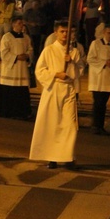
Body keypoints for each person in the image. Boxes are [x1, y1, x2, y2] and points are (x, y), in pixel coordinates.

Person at [30, 21, 82, 169]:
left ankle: (68, 156)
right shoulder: (49, 50)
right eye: (62, 31)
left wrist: (71, 63)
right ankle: (52, 157)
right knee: (52, 123)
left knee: (70, 125)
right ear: (56, 33)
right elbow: (40, 70)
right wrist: (55, 74)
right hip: (53, 89)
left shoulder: (74, 52)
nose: (65, 35)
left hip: (68, 90)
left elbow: (79, 72)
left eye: (67, 32)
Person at [0, 16, 33, 119]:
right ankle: (7, 112)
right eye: (19, 23)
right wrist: (16, 57)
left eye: (22, 24)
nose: (22, 26)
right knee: (9, 91)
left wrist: (27, 55)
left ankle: (22, 113)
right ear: (13, 25)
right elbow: (3, 52)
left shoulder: (26, 37)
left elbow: (30, 49)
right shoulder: (7, 37)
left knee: (21, 91)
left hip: (22, 68)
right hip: (11, 68)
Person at [87, 24, 110, 134]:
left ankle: (100, 126)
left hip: (109, 79)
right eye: (108, 33)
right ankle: (95, 125)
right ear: (104, 33)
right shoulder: (96, 44)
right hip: (98, 78)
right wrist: (104, 62)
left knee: (103, 103)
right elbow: (90, 59)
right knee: (97, 102)